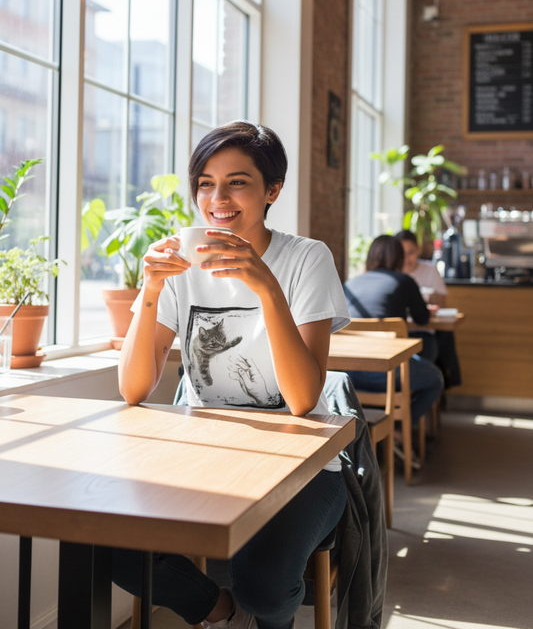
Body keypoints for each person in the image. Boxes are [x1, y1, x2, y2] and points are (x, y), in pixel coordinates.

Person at [112, 121, 351, 629]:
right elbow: (133, 389)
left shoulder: (306, 258)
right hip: (204, 455)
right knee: (106, 541)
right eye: (205, 183)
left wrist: (267, 288)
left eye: (237, 182)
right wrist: (151, 289)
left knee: (264, 585)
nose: (217, 198)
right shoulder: (181, 261)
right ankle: (221, 611)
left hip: (305, 466)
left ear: (272, 190)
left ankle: (261, 614)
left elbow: (304, 399)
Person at [342, 235, 444, 445]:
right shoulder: (405, 281)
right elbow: (422, 318)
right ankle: (399, 430)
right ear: (398, 258)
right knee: (436, 379)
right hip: (386, 372)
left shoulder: (350, 284)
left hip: (348, 375)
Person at [396, 229, 462, 388]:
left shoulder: (429, 270)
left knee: (432, 345)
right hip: (395, 337)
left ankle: (437, 386)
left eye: (411, 252)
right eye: (402, 253)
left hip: (421, 333)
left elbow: (441, 304)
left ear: (418, 250)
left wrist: (425, 298)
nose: (407, 258)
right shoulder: (390, 273)